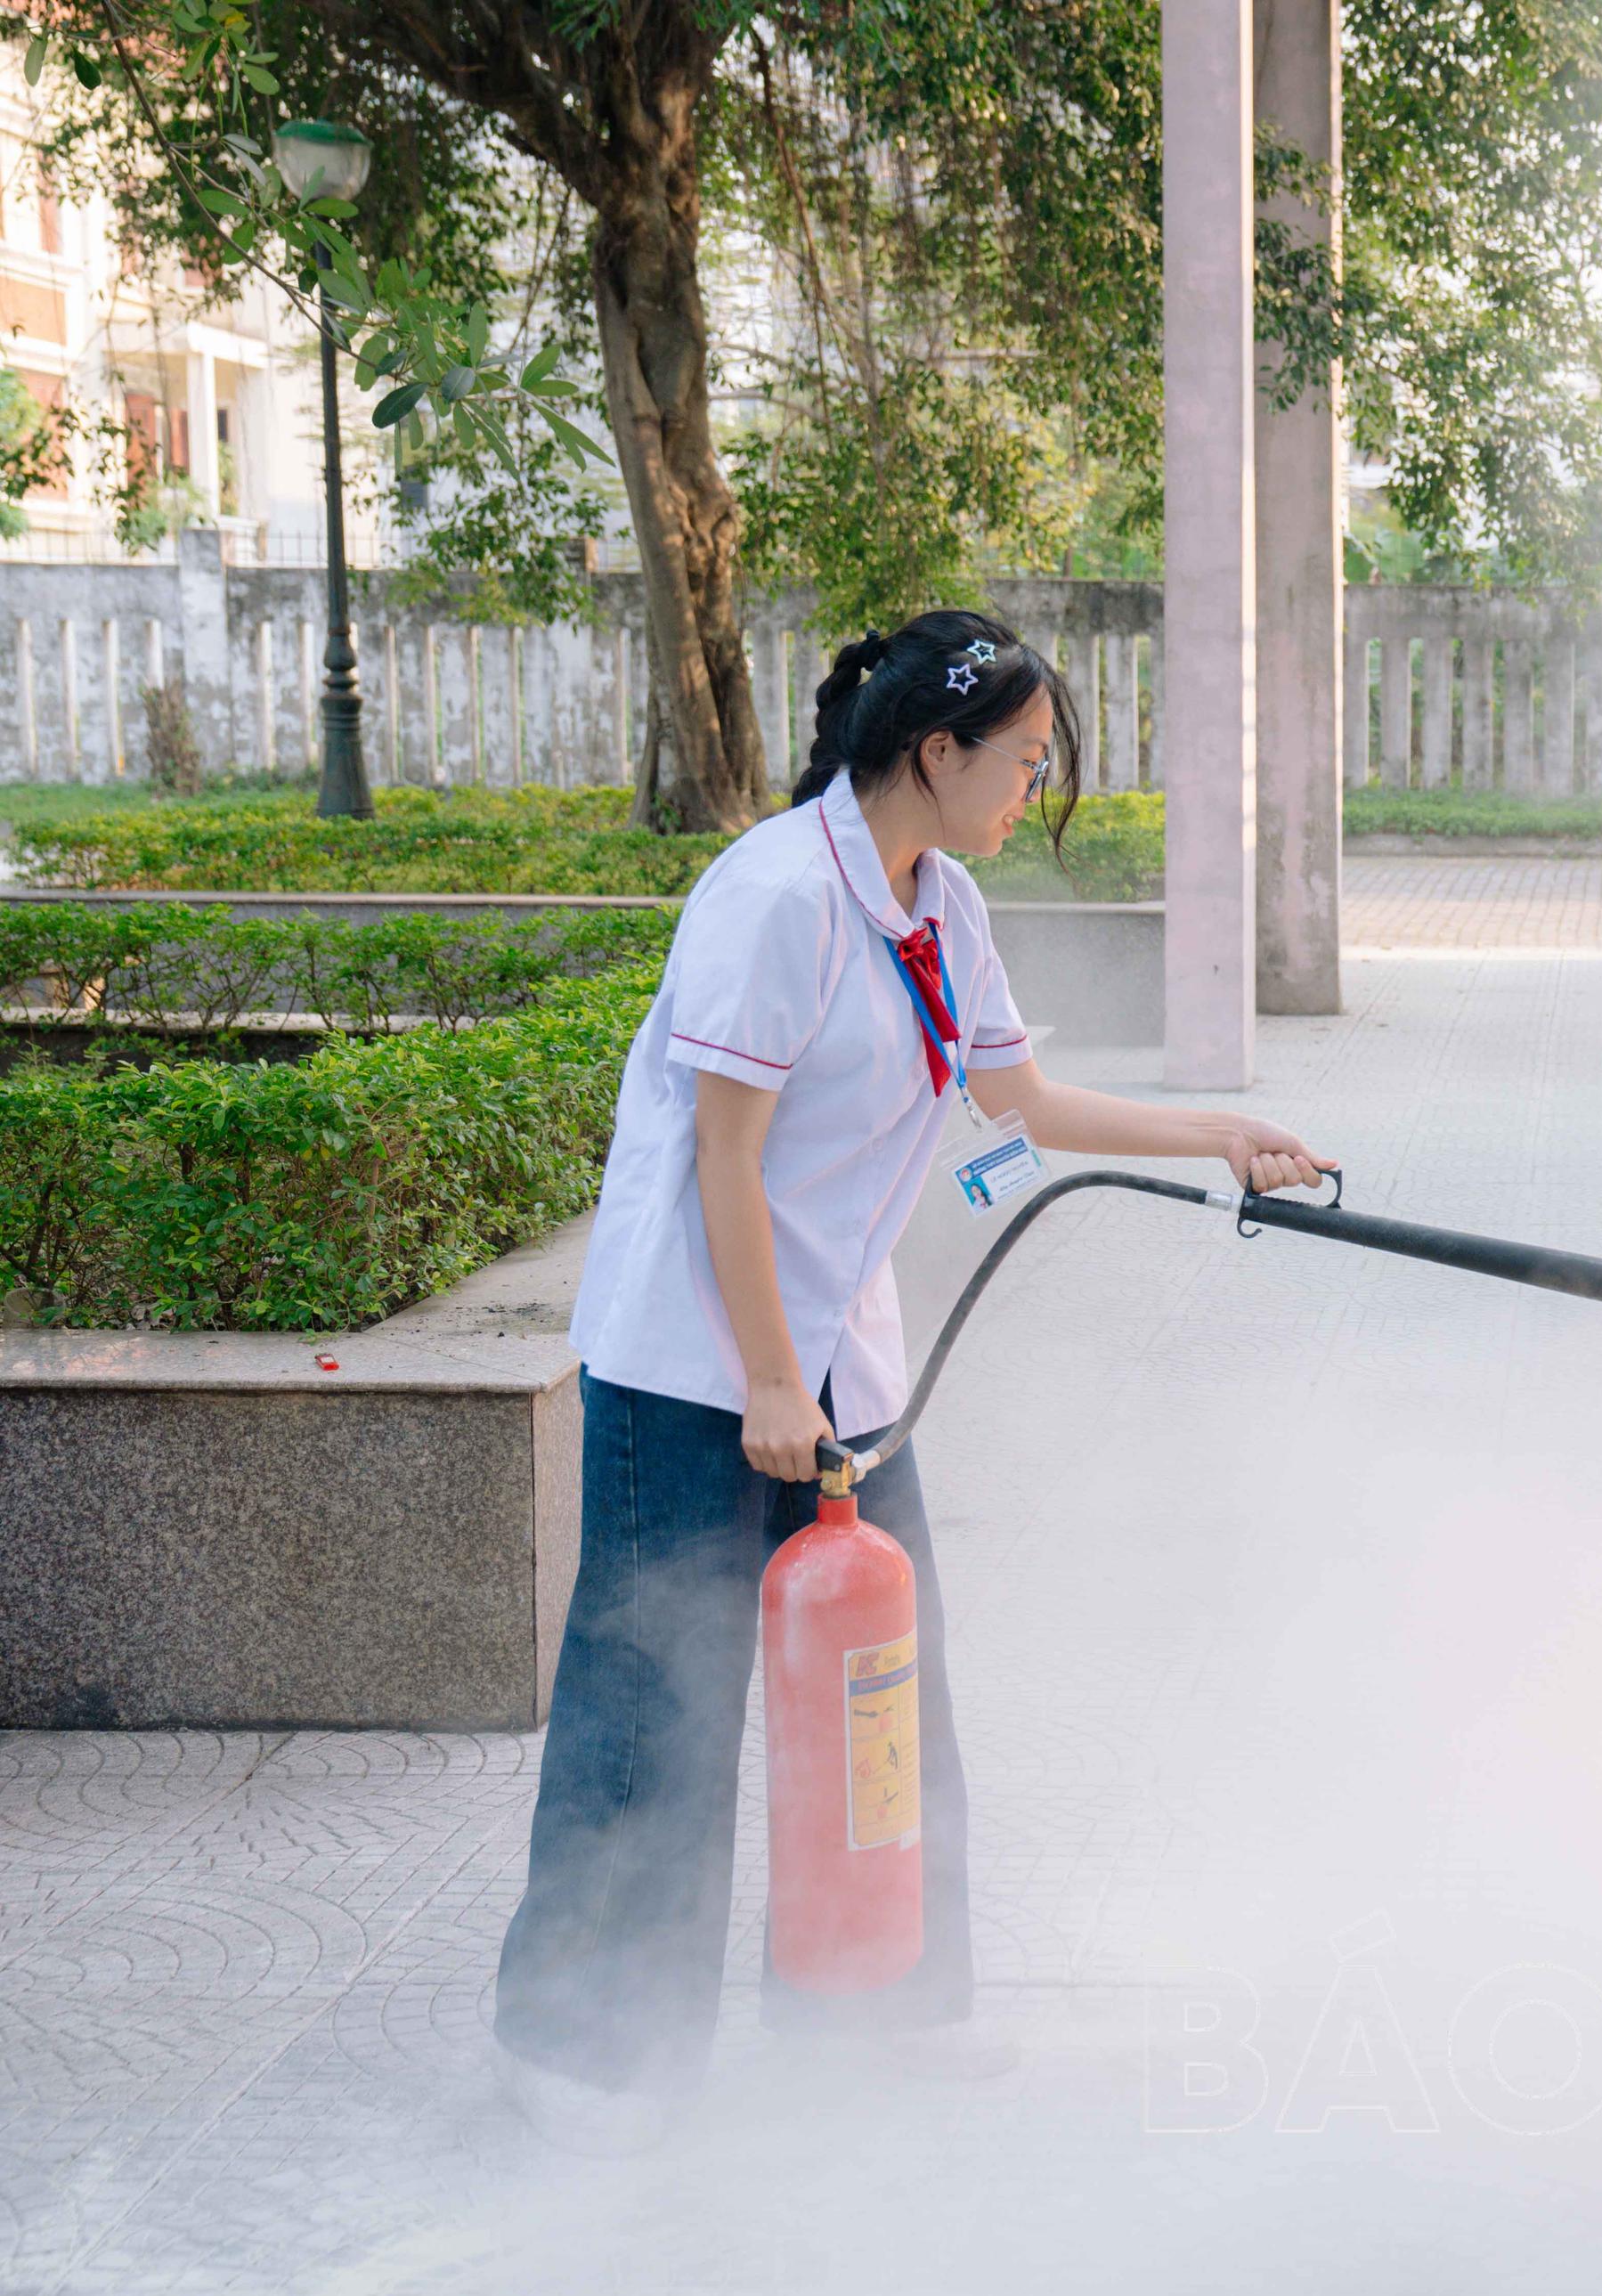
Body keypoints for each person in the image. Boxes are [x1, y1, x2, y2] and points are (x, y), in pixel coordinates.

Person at [491, 609, 1330, 2154]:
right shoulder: (771, 899)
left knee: (884, 1685)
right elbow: (719, 1168)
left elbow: (1019, 1095)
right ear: (932, 752)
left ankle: (873, 2011)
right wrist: (758, 1381)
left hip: (836, 1360)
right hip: (698, 1361)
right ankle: (583, 2055)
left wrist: (1223, 1135)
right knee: (655, 1698)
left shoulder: (938, 898)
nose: (1035, 787)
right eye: (1023, 760)